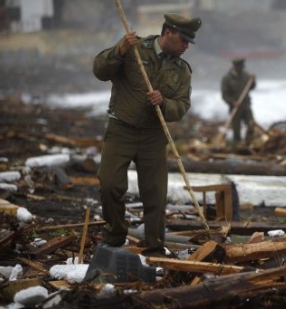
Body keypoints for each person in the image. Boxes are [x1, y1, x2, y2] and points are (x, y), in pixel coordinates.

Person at [93, 13, 201, 256]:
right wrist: (119, 50)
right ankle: (115, 235)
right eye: (183, 40)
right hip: (121, 129)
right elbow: (99, 70)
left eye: (188, 43)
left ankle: (154, 246)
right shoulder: (134, 49)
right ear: (168, 33)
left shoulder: (182, 70)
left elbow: (182, 105)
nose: (185, 47)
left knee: (155, 195)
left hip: (154, 135)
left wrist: (164, 103)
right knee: (109, 184)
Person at [220, 57, 257, 145]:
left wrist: (253, 80)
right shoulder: (227, 78)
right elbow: (225, 95)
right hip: (235, 108)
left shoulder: (246, 75)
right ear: (235, 67)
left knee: (251, 125)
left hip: (246, 106)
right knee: (236, 130)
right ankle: (237, 145)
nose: (241, 68)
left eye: (242, 66)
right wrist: (232, 102)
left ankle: (248, 144)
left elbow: (251, 87)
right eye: (239, 66)